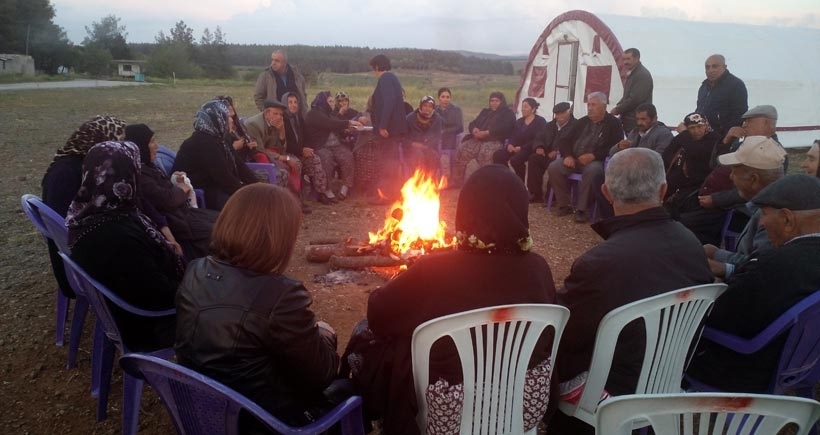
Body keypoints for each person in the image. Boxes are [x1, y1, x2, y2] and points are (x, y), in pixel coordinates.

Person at [345, 164, 557, 435]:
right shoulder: (538, 268)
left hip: (448, 411)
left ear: (466, 210)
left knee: (374, 336)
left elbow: (378, 315)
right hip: (522, 404)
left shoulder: (434, 269)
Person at [548, 148, 713, 434]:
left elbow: (564, 336)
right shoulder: (690, 244)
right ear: (663, 190)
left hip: (611, 391)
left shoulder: (601, 262)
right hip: (668, 380)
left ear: (606, 192)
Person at [175, 183, 344, 429]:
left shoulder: (196, 269)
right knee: (348, 388)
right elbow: (322, 375)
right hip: (261, 421)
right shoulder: (282, 295)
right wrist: (326, 335)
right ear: (277, 238)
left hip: (203, 409)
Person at [686, 174, 820, 393]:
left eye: (765, 214)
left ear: (787, 219)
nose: (762, 223)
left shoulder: (772, 265)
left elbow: (716, 318)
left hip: (746, 370)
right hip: (806, 363)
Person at [68, 141, 185, 352]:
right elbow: (161, 295)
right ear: (124, 177)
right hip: (154, 326)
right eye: (135, 170)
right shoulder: (115, 236)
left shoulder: (86, 214)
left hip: (132, 308)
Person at [41, 115, 126, 297]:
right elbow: (71, 227)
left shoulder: (84, 166)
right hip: (77, 268)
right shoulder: (66, 174)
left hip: (80, 254)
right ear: (101, 143)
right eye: (118, 143)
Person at [125, 123, 218, 260]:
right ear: (139, 146)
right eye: (151, 142)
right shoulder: (140, 174)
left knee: (223, 219)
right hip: (177, 223)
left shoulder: (147, 166)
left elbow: (162, 190)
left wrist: (174, 179)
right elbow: (165, 199)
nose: (156, 146)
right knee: (221, 232)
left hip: (184, 214)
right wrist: (182, 188)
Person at [703, 136, 786, 279]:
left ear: (754, 179)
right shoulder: (766, 204)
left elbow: (762, 268)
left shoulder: (774, 216)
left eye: (734, 170)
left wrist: (723, 267)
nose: (731, 176)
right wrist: (717, 253)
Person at [547, 91, 623, 223]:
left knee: (593, 171)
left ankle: (582, 210)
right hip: (575, 159)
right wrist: (568, 155)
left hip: (596, 161)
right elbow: (564, 140)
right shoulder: (582, 122)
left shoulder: (613, 124)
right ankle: (564, 204)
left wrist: (594, 155)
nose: (590, 108)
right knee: (554, 167)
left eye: (594, 105)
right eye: (589, 104)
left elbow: (614, 147)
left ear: (604, 106)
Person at [173, 99, 258, 211]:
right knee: (247, 207)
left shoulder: (221, 138)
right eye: (227, 116)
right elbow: (223, 177)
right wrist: (248, 193)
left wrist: (258, 186)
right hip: (202, 190)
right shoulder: (203, 142)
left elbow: (240, 166)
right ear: (216, 119)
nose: (232, 120)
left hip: (217, 185)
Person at [662, 112, 722, 224]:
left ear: (706, 125)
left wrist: (684, 134)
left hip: (695, 193)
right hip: (673, 189)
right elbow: (666, 155)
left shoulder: (714, 139)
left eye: (699, 126)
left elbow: (698, 152)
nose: (696, 131)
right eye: (692, 128)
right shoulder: (684, 138)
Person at [451, 91, 516, 188]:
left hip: (495, 140)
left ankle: (486, 184)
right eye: (492, 101)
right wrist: (474, 130)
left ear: (502, 102)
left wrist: (487, 133)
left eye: (496, 101)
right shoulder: (485, 112)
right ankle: (456, 181)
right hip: (478, 139)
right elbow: (473, 123)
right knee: (462, 150)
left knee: (485, 154)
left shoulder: (508, 113)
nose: (494, 103)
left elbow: (505, 127)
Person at [306, 91, 361, 203]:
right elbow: (330, 123)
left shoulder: (328, 113)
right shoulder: (314, 113)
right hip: (321, 146)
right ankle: (326, 190)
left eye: (332, 101)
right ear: (323, 102)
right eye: (330, 101)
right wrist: (350, 122)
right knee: (326, 159)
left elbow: (336, 123)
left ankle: (346, 186)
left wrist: (346, 129)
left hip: (335, 145)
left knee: (348, 156)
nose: (332, 104)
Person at [368, 54, 408, 202]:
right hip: (392, 130)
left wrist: (383, 125)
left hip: (389, 131)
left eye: (373, 69)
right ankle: (392, 193)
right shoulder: (392, 78)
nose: (374, 72)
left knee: (387, 162)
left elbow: (389, 101)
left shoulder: (385, 79)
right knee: (390, 160)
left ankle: (386, 195)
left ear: (377, 67)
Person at [283, 91, 331, 205]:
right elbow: (285, 144)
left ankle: (320, 192)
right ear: (284, 104)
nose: (293, 105)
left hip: (302, 151)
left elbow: (307, 136)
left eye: (295, 102)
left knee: (315, 160)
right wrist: (301, 150)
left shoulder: (299, 118)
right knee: (296, 164)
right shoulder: (282, 120)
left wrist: (307, 148)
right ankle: (297, 198)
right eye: (290, 102)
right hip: (288, 153)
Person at [527, 102, 576, 203]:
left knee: (554, 165)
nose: (559, 116)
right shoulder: (550, 125)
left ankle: (552, 196)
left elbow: (572, 143)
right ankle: (535, 194)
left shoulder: (575, 126)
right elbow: (539, 137)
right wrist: (539, 147)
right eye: (557, 114)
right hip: (546, 153)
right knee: (533, 159)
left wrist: (558, 151)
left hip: (562, 156)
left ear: (569, 112)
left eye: (562, 113)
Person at [493, 97, 548, 185]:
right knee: (498, 155)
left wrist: (522, 148)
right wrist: (510, 144)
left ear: (533, 109)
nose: (523, 109)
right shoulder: (519, 121)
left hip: (530, 148)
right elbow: (513, 135)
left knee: (516, 160)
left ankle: (520, 183)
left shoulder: (540, 121)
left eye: (526, 107)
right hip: (516, 147)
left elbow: (538, 139)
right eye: (522, 107)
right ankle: (506, 179)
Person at [243, 99, 294, 190]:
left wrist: (281, 131)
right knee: (283, 168)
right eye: (275, 113)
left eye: (281, 114)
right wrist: (282, 157)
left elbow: (280, 149)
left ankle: (293, 198)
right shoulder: (254, 125)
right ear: (266, 113)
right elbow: (259, 150)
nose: (279, 117)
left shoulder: (275, 123)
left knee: (294, 163)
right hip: (253, 158)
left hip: (268, 154)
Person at [693, 54, 748, 138]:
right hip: (703, 135)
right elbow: (699, 110)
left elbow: (739, 114)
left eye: (715, 66)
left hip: (723, 137)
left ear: (724, 67)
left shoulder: (736, 85)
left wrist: (724, 138)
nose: (710, 70)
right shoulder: (704, 87)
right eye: (707, 67)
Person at [610, 48, 653, 134]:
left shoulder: (642, 75)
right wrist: (619, 106)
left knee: (635, 145)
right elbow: (627, 96)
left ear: (637, 58)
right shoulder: (633, 73)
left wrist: (618, 109)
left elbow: (635, 99)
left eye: (628, 59)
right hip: (630, 120)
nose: (625, 62)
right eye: (624, 59)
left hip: (636, 121)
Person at [608, 103, 673, 157]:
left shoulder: (664, 134)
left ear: (654, 119)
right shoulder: (634, 132)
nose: (639, 123)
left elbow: (659, 158)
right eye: (637, 119)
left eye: (643, 119)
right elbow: (611, 154)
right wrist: (619, 147)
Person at [404, 95, 443, 174]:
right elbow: (403, 138)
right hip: (412, 148)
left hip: (429, 147)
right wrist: (413, 144)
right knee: (418, 156)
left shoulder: (437, 119)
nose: (427, 108)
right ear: (420, 106)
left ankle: (429, 180)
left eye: (430, 106)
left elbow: (437, 136)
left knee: (433, 157)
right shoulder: (410, 118)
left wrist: (427, 145)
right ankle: (417, 180)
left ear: (433, 108)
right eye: (425, 105)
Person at [434, 87, 464, 151]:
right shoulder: (434, 110)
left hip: (452, 136)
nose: (446, 99)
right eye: (443, 97)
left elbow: (460, 127)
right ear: (439, 98)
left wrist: (445, 131)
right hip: (437, 136)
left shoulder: (456, 110)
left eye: (448, 97)